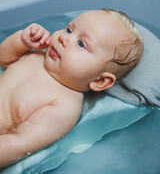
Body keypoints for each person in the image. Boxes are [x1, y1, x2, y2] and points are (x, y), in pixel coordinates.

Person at [0, 8, 143, 167]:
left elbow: (20, 143)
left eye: (81, 44)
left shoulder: (64, 105)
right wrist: (21, 40)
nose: (63, 38)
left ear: (100, 81)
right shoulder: (36, 54)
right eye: (69, 30)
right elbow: (4, 59)